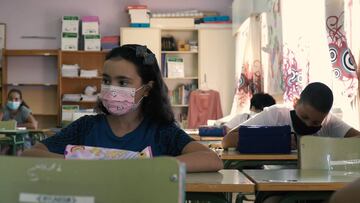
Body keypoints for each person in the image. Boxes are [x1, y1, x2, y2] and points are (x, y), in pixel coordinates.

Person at [22, 44, 223, 172]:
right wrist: (77, 162)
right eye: (107, 80)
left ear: (147, 89)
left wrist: (155, 167)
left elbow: (212, 160)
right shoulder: (86, 127)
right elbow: (31, 154)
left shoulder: (162, 131)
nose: (112, 89)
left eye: (123, 82)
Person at [222, 82, 360, 148]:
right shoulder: (275, 115)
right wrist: (278, 141)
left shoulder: (329, 122)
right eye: (304, 117)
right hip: (275, 182)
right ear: (295, 102)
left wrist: (323, 145)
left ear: (325, 116)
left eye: (315, 123)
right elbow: (228, 140)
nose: (307, 124)